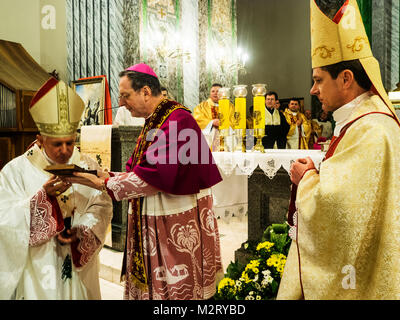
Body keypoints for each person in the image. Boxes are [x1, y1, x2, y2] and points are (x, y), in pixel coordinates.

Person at [66, 63, 224, 300]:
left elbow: (155, 177)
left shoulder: (178, 120)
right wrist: (106, 176)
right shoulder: (155, 121)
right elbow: (145, 169)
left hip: (175, 218)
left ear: (146, 92)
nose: (122, 102)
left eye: (126, 95)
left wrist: (102, 183)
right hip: (155, 213)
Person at [277, 0, 400, 300]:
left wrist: (306, 179)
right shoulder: (361, 121)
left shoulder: (371, 129)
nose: (312, 90)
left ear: (346, 79)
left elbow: (342, 209)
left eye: (318, 80)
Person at [0, 77, 113, 300]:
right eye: (57, 144)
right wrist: (42, 200)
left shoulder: (87, 166)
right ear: (40, 140)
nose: (65, 150)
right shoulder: (16, 171)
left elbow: (102, 205)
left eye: (70, 143)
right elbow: (5, 217)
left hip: (78, 263)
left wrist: (82, 232)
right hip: (38, 265)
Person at [192, 83, 235, 150]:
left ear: (222, 93)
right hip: (208, 138)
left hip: (226, 137)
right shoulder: (202, 106)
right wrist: (211, 122)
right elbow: (197, 119)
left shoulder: (230, 106)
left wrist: (224, 123)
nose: (215, 93)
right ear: (210, 93)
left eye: (218, 91)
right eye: (213, 91)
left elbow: (234, 120)